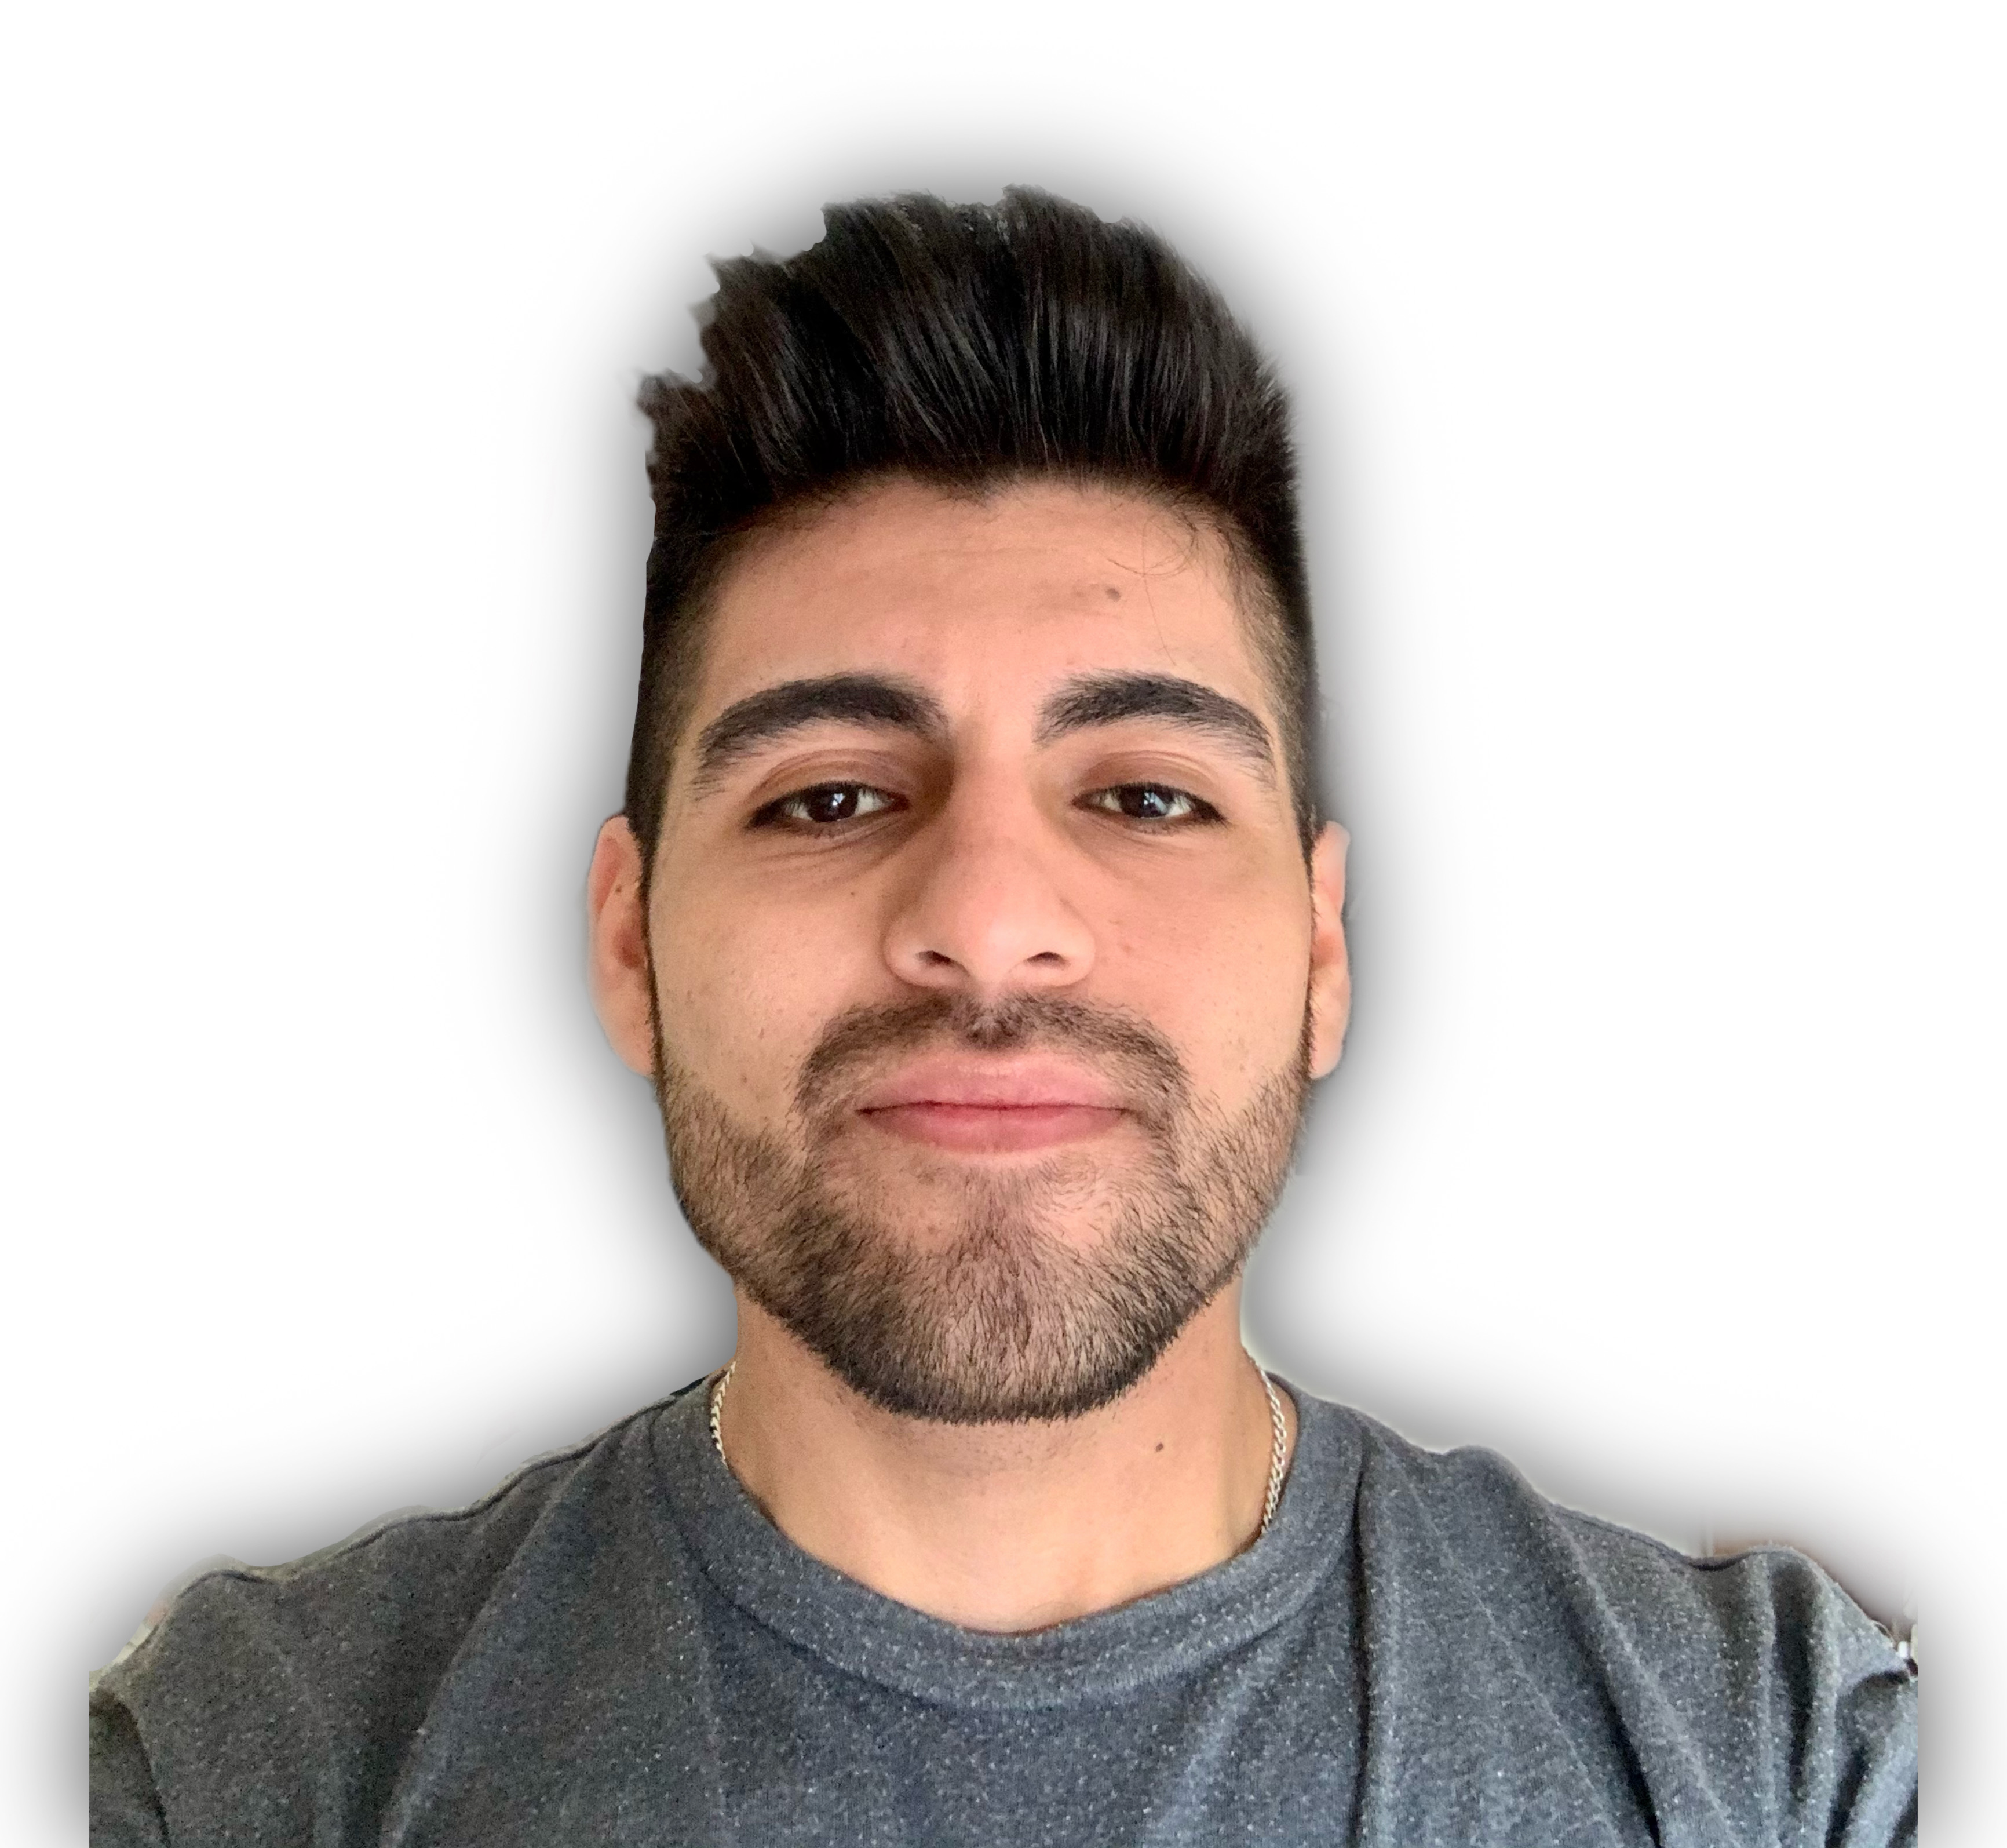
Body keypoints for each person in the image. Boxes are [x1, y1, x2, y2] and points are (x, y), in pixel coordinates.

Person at [89, 189, 1917, 1845]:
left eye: (1145, 796)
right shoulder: (252, 1767)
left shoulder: (1775, 1758)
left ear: (1321, 951)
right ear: (632, 945)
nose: (986, 925)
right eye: (828, 796)